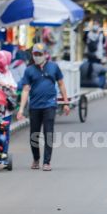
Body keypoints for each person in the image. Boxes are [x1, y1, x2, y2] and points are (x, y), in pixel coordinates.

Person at [17, 43, 70, 171]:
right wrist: (20, 109)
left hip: (50, 105)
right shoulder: (29, 70)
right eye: (35, 54)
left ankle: (47, 162)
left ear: (46, 54)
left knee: (48, 133)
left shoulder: (54, 67)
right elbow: (25, 90)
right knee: (34, 134)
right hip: (34, 106)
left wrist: (66, 102)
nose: (37, 57)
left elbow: (61, 84)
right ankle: (36, 159)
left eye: (40, 54)